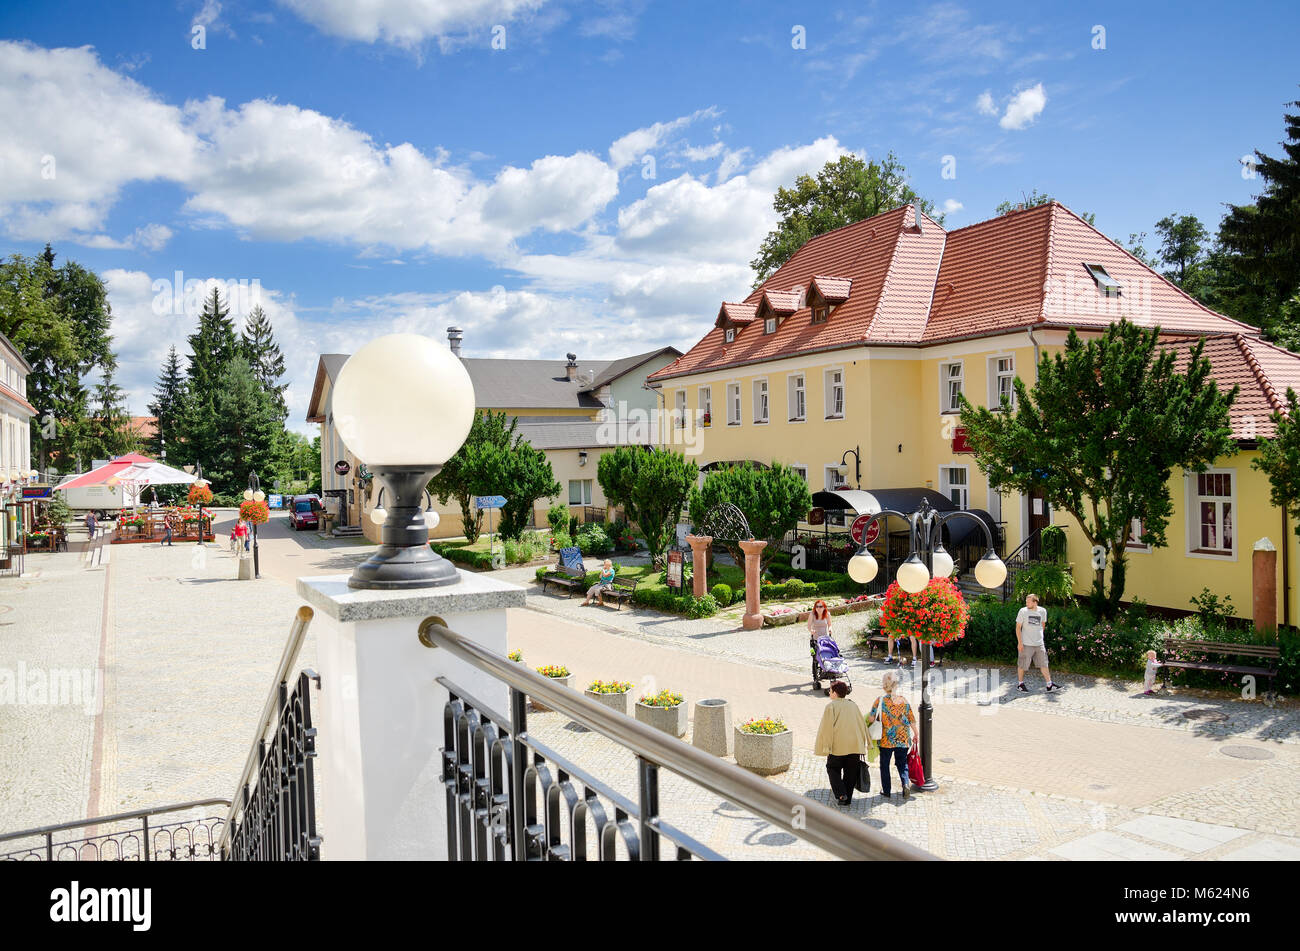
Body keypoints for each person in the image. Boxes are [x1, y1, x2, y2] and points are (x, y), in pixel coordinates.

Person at [814, 681, 868, 806]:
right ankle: (847, 798)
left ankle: (841, 793)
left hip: (837, 747)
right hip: (854, 746)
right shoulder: (853, 705)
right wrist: (865, 743)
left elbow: (827, 729)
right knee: (851, 772)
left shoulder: (831, 707)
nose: (829, 692)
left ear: (835, 693)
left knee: (832, 768)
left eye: (831, 690)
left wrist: (826, 747)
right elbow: (861, 724)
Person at [869, 670, 917, 800]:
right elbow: (911, 719)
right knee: (902, 763)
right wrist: (916, 733)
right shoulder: (903, 700)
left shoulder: (880, 700)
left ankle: (886, 791)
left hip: (886, 739)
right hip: (902, 738)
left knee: (884, 765)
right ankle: (905, 783)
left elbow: (871, 719)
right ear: (896, 685)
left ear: (884, 685)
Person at [1016, 592, 1061, 692]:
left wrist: (1039, 637)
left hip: (1039, 644)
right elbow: (1018, 628)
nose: (1026, 604)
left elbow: (1042, 625)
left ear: (1035, 602)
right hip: (1026, 644)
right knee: (1022, 664)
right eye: (1026, 602)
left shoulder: (1042, 611)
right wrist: (1020, 642)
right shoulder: (1023, 611)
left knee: (1044, 664)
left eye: (1028, 602)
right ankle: (1020, 684)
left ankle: (1049, 685)